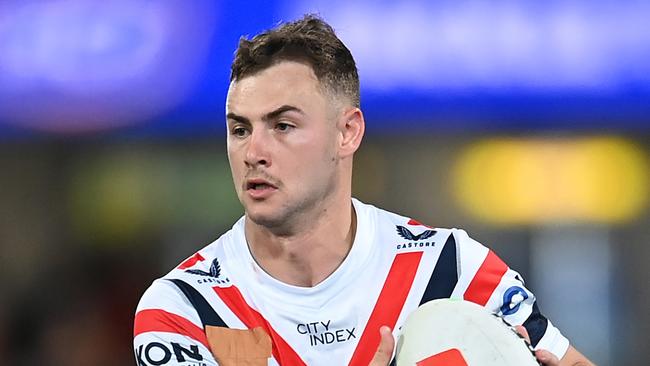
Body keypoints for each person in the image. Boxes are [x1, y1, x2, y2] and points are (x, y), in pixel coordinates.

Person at [133, 14, 594, 366]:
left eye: (283, 125)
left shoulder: (451, 268)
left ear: (348, 132)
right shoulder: (185, 309)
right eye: (239, 129)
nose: (254, 151)